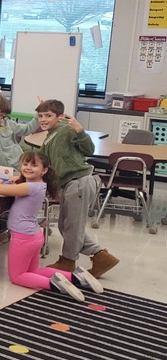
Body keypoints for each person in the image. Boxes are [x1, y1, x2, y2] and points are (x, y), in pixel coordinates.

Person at [0, 151, 103, 301]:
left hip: (23, 238)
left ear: (44, 170)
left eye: (34, 165)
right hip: (34, 236)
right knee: (35, 271)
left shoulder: (29, 187)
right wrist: (18, 178)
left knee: (17, 276)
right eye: (25, 164)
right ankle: (76, 277)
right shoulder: (39, 185)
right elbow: (22, 183)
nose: (28, 167)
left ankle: (54, 284)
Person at [36, 99, 119, 278]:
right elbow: (41, 158)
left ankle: (68, 261)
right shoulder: (50, 134)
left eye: (48, 116)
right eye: (40, 116)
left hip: (79, 181)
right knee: (66, 225)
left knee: (72, 226)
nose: (43, 119)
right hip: (69, 183)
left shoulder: (65, 130)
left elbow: (89, 149)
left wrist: (80, 130)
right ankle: (100, 256)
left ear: (60, 117)